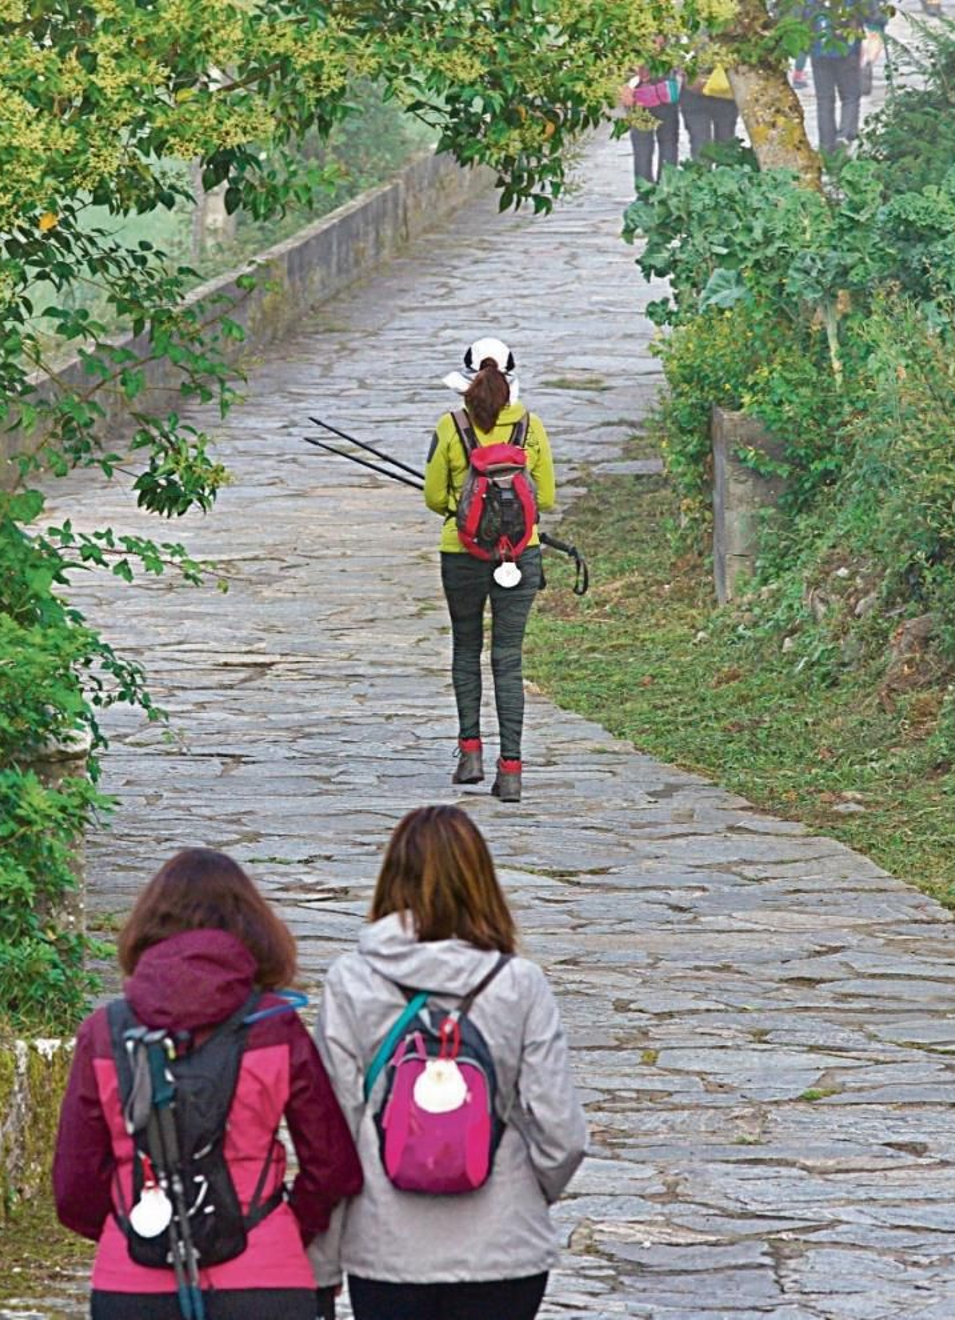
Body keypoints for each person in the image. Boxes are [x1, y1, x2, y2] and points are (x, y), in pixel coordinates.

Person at [52, 848, 363, 1320]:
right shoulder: (275, 1027)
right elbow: (334, 1164)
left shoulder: (104, 1033)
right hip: (264, 1276)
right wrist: (285, 1226)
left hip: (132, 1284)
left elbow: (74, 1187)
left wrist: (135, 1229)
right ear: (254, 929)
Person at [307, 806, 588, 1320]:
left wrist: (322, 1266)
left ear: (391, 879)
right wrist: (522, 1194)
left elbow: (334, 1132)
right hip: (504, 1247)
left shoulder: (351, 980)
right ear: (482, 882)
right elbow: (560, 1131)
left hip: (387, 1247)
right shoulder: (519, 983)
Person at [424, 338, 555, 802]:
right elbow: (547, 497)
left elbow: (435, 497)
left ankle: (470, 755)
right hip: (520, 555)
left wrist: (464, 510)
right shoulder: (530, 427)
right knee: (508, 660)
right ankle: (512, 771)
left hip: (461, 555)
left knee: (466, 649)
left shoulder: (450, 426)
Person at [800, 0, 887, 154]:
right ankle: (845, 135)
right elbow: (874, 16)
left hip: (819, 49)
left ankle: (826, 145)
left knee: (824, 100)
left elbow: (802, 15)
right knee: (851, 96)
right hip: (847, 49)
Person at [621, 63, 683, 192]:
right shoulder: (667, 50)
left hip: (637, 98)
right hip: (663, 95)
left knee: (642, 147)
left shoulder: (631, 47)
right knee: (668, 143)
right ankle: (667, 189)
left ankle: (644, 191)